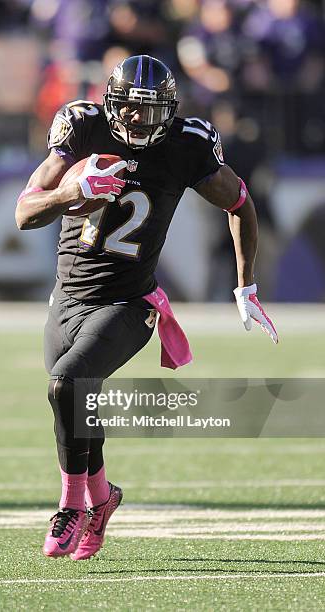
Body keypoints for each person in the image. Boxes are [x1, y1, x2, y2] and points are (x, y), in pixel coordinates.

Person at [15, 54, 278, 561]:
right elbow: (25, 212)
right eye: (132, 109)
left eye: (153, 111)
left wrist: (245, 286)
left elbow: (240, 202)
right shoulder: (82, 128)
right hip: (67, 298)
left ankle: (70, 507)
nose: (140, 120)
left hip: (130, 302)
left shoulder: (187, 144)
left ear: (170, 110)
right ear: (111, 103)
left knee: (68, 384)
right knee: (75, 407)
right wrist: (71, 190)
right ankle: (104, 499)